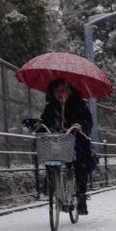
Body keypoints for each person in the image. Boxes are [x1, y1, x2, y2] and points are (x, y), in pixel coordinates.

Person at [40, 79, 94, 215]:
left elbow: (88, 122)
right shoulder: (50, 107)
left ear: (69, 91)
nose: (60, 94)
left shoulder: (79, 105)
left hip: (77, 140)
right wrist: (38, 125)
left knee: (80, 162)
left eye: (63, 90)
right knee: (49, 156)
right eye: (56, 91)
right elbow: (44, 122)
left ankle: (81, 196)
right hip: (57, 141)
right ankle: (51, 180)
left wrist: (79, 126)